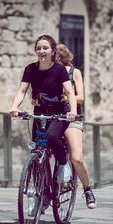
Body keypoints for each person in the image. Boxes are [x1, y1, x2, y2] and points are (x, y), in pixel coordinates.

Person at [34, 43, 97, 209]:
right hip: (53, 115)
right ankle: (46, 190)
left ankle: (87, 188)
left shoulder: (74, 72)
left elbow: (81, 96)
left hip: (71, 116)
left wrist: (67, 98)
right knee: (41, 154)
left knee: (76, 157)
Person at [9, 35, 77, 184]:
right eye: (38, 48)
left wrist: (73, 111)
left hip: (58, 115)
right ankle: (43, 192)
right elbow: (22, 91)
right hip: (39, 115)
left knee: (52, 138)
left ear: (53, 51)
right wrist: (14, 107)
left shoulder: (59, 70)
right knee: (38, 151)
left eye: (45, 48)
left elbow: (70, 92)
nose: (41, 51)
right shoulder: (30, 69)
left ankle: (63, 162)